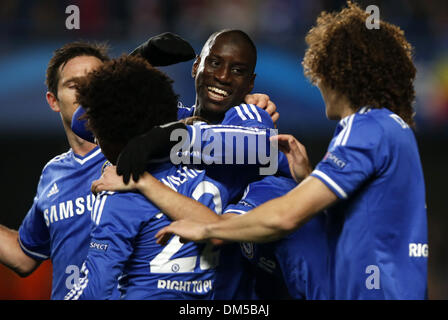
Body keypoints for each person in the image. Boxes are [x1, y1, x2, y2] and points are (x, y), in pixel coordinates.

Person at [155, 2, 428, 300]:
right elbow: (365, 218)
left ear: (335, 72)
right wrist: (307, 176)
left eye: (319, 71)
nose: (317, 82)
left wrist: (210, 228)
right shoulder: (390, 127)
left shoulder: (365, 128)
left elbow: (286, 217)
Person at [0, 34, 199, 299]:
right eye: (74, 85)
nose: (85, 92)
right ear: (53, 100)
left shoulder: (141, 148)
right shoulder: (53, 173)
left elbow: (202, 122)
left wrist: (250, 107)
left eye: (94, 81)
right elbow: (24, 256)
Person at [65, 55, 260, 299]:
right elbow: (220, 230)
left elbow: (94, 289)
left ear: (107, 137)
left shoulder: (119, 194)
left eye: (97, 134)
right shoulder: (210, 172)